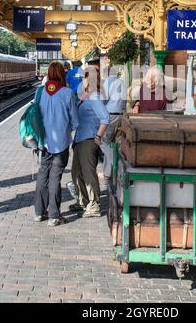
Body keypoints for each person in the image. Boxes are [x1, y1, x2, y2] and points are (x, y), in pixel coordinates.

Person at [34, 62, 79, 227]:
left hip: (43, 141)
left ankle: (39, 212)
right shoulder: (67, 93)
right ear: (62, 74)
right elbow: (75, 121)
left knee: (42, 174)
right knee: (55, 177)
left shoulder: (40, 92)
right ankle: (54, 215)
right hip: (60, 143)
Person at [70, 67, 110, 218]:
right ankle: (83, 201)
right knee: (76, 173)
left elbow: (105, 118)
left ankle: (94, 205)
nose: (81, 81)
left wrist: (98, 137)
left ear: (89, 79)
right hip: (80, 138)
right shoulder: (86, 96)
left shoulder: (95, 97)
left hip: (89, 139)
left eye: (83, 78)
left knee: (88, 173)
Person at [100, 69, 127, 207]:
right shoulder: (122, 83)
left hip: (110, 116)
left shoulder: (107, 83)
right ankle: (115, 170)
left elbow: (102, 100)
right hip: (121, 116)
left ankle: (109, 172)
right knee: (117, 145)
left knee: (104, 143)